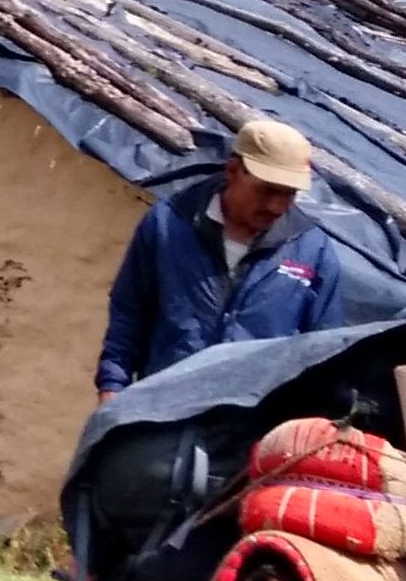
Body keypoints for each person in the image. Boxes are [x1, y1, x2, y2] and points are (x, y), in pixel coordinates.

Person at [95, 116, 349, 394]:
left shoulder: (313, 252)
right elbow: (129, 314)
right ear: (233, 170)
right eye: (267, 191)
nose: (276, 206)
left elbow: (324, 354)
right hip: (162, 410)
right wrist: (112, 388)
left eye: (289, 194)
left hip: (249, 427)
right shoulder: (170, 225)